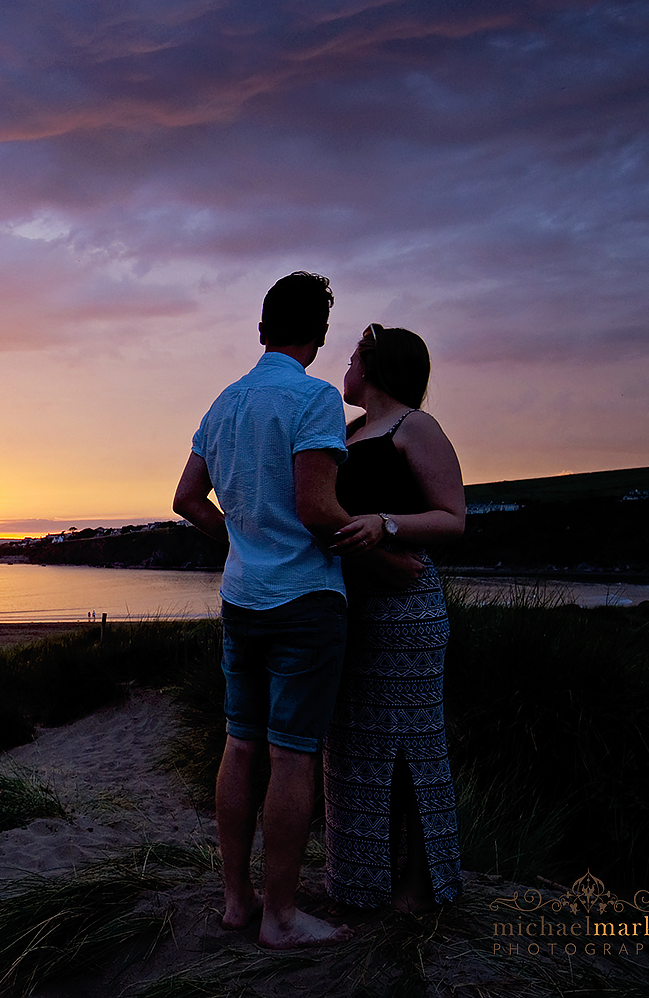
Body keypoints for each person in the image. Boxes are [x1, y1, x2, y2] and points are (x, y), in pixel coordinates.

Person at [173, 273, 418, 948]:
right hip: (305, 602)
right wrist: (391, 561)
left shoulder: (224, 403)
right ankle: (280, 914)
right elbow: (316, 508)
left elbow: (188, 499)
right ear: (318, 336)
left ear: (260, 331)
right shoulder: (312, 400)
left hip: (242, 599)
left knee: (240, 742)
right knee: (291, 756)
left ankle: (236, 901)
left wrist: (241, 536)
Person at [323, 323, 465, 912]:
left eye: (353, 356)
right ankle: (361, 882)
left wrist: (387, 522)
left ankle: (417, 884)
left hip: (406, 608)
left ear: (377, 365)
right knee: (357, 747)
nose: (345, 367)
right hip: (355, 604)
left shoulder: (415, 426)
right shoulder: (350, 432)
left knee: (409, 746)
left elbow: (454, 517)